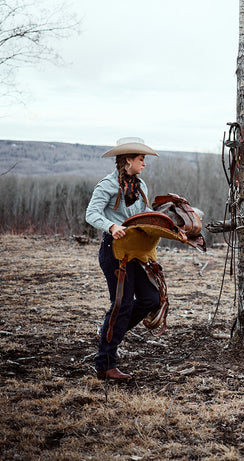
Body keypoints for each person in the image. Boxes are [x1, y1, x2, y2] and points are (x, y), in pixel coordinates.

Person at [85, 137, 160, 380]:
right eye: (141, 159)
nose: (144, 164)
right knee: (122, 304)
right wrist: (111, 226)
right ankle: (106, 363)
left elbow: (142, 217)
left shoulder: (142, 186)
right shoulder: (107, 185)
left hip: (136, 253)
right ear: (127, 160)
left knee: (151, 298)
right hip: (113, 251)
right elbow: (92, 214)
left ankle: (109, 333)